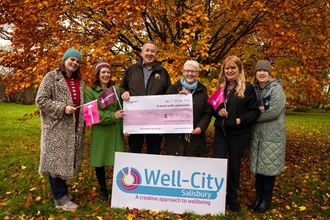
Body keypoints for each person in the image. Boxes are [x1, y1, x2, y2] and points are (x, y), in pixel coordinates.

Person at [35, 48, 85, 211]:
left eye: (78, 61)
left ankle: (61, 194)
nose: (75, 63)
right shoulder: (51, 77)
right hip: (56, 128)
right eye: (72, 59)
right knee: (55, 162)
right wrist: (62, 108)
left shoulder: (81, 82)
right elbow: (40, 100)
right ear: (64, 60)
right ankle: (61, 198)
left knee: (64, 161)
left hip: (74, 128)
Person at [212, 55, 260, 212]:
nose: (230, 70)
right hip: (221, 134)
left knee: (234, 167)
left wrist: (240, 120)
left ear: (239, 70)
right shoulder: (220, 88)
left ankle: (231, 198)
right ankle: (217, 197)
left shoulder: (247, 88)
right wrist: (218, 111)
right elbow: (213, 108)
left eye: (233, 67)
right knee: (218, 165)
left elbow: (254, 112)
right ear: (223, 70)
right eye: (227, 68)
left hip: (238, 135)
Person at [248, 60, 286, 213]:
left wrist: (252, 116)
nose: (262, 73)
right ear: (256, 74)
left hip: (272, 135)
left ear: (269, 74)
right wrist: (257, 110)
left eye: (265, 71)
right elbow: (251, 107)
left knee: (268, 169)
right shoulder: (254, 89)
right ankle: (258, 197)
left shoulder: (276, 89)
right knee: (259, 168)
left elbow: (273, 111)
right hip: (257, 135)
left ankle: (266, 199)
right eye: (259, 71)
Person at [120, 41, 171, 154]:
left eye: (153, 51)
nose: (149, 53)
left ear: (156, 54)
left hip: (155, 120)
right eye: (147, 50)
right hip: (135, 119)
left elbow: (169, 93)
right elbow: (122, 87)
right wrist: (124, 93)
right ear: (142, 53)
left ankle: (151, 171)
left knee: (154, 151)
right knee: (134, 150)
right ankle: (134, 171)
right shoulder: (131, 70)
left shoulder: (163, 72)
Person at [85, 61, 125, 202]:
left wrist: (124, 129)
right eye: (103, 72)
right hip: (100, 132)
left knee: (118, 161)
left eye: (108, 72)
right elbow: (91, 115)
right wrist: (112, 116)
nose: (106, 74)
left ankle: (118, 188)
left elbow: (122, 111)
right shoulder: (89, 92)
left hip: (115, 132)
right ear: (98, 74)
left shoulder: (116, 90)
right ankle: (103, 189)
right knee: (100, 161)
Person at [163, 60, 211, 156]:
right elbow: (164, 111)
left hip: (195, 137)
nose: (190, 74)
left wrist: (201, 127)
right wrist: (176, 99)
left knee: (192, 167)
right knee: (174, 168)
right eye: (187, 71)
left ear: (197, 73)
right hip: (175, 138)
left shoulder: (202, 91)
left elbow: (207, 113)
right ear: (183, 72)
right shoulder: (173, 88)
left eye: (193, 71)